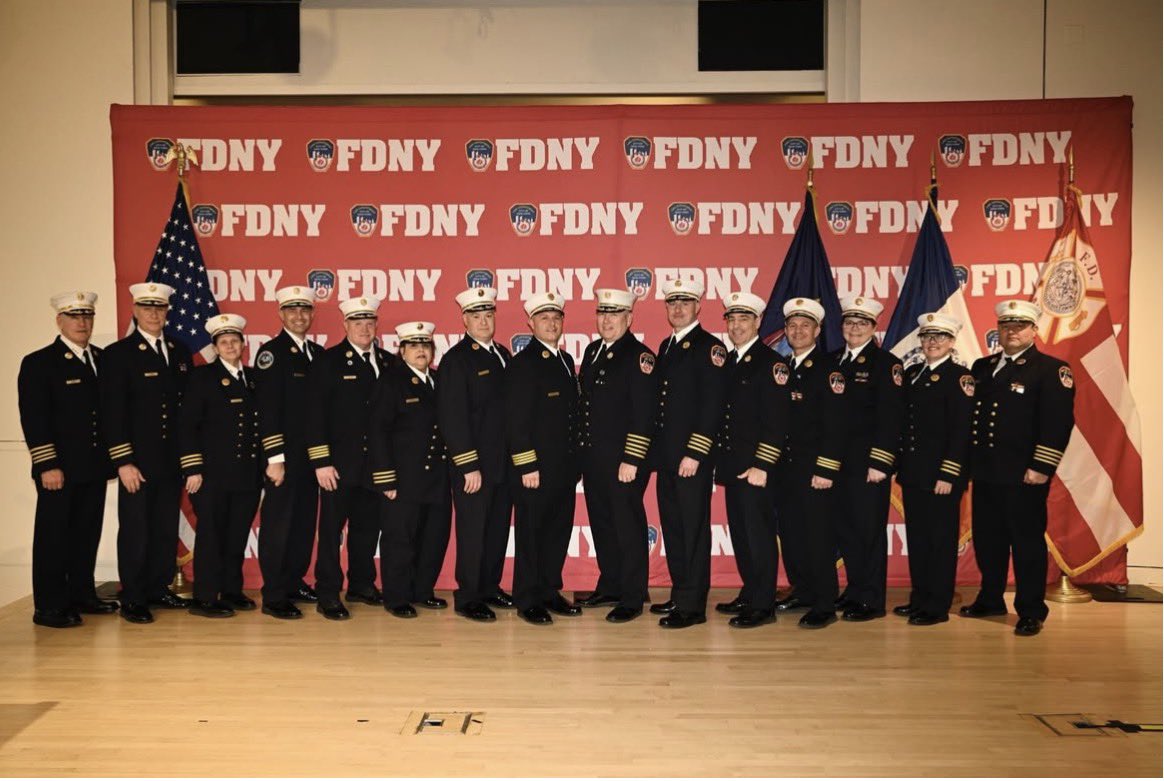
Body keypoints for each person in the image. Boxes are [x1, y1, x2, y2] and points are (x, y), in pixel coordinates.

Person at [963, 300, 1075, 637]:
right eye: (1006, 326)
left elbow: (1058, 424)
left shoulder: (1050, 369)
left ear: (1034, 331)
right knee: (988, 540)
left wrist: (1041, 466)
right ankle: (991, 597)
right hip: (985, 471)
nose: (1011, 332)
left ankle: (1030, 609)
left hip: (1024, 474)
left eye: (1019, 326)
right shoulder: (981, 367)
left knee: (1026, 542)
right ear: (999, 330)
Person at [18, 291, 115, 628]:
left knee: (87, 534)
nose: (82, 323)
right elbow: (34, 417)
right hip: (59, 468)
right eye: (74, 317)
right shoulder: (40, 362)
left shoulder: (102, 360)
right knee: (53, 538)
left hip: (93, 465)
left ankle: (81, 594)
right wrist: (47, 464)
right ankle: (49, 606)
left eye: (87, 317)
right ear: (59, 321)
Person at [101, 282, 193, 624]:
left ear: (168, 312)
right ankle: (134, 596)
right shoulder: (118, 355)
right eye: (148, 308)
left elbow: (185, 411)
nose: (155, 314)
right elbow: (112, 413)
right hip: (137, 461)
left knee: (165, 527)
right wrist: (123, 461)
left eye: (160, 308)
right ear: (136, 311)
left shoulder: (180, 351)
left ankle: (157, 587)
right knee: (136, 529)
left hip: (171, 460)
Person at [305, 295, 394, 620]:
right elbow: (314, 416)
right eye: (358, 323)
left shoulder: (386, 361)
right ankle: (327, 591)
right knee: (331, 532)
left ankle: (361, 583)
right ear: (345, 326)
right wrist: (320, 461)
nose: (365, 329)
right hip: (338, 467)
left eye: (370, 323)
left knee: (367, 529)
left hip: (374, 467)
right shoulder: (328, 363)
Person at [648, 278, 727, 629]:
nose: (677, 309)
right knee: (675, 527)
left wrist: (695, 453)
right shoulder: (667, 345)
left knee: (693, 529)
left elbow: (712, 406)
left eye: (685, 302)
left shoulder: (709, 347)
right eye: (672, 303)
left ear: (698, 307)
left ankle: (693, 605)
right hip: (667, 457)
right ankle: (681, 593)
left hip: (690, 459)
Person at [576, 288, 657, 623]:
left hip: (624, 461)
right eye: (602, 314)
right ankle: (610, 583)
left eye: (614, 315)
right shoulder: (595, 351)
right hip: (595, 460)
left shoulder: (640, 356)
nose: (607, 321)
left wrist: (633, 459)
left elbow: (645, 413)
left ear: (629, 318)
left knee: (627, 526)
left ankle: (633, 594)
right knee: (603, 525)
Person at [436, 287, 515, 622]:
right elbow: (452, 418)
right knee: (473, 531)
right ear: (465, 320)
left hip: (502, 465)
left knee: (496, 529)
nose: (484, 321)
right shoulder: (457, 360)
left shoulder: (502, 354)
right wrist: (468, 465)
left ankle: (489, 586)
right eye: (477, 316)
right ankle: (468, 595)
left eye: (488, 315)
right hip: (474, 467)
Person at [712, 292, 790, 629]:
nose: (737, 325)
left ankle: (763, 604)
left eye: (744, 319)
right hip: (733, 466)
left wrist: (763, 465)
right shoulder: (730, 361)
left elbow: (777, 421)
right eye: (732, 319)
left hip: (755, 469)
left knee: (758, 536)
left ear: (757, 322)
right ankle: (750, 591)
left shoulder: (770, 363)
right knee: (742, 536)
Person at [504, 292, 580, 625]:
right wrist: (526, 464)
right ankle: (528, 597)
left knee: (557, 531)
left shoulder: (564, 360)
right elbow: (516, 421)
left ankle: (549, 589)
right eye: (544, 318)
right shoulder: (523, 364)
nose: (552, 324)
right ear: (530, 323)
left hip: (563, 467)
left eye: (556, 318)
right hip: (535, 468)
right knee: (532, 533)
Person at [179, 314, 262, 618]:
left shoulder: (254, 378)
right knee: (212, 536)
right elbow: (187, 425)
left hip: (247, 474)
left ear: (243, 344)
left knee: (237, 535)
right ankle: (204, 597)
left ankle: (231, 590)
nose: (230, 345)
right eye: (223, 342)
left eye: (234, 341)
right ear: (215, 347)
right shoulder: (202, 378)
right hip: (212, 476)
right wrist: (192, 469)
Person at [895, 313, 974, 626]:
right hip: (915, 473)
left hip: (942, 476)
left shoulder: (960, 379)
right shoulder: (913, 373)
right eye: (927, 337)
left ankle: (937, 605)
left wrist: (949, 473)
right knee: (918, 539)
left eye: (939, 337)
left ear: (952, 342)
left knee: (940, 542)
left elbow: (961, 431)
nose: (931, 342)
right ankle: (920, 597)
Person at [369, 321, 452, 619]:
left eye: (425, 345)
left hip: (436, 477)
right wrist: (385, 477)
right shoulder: (390, 382)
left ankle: (421, 591)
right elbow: (377, 431)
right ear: (402, 350)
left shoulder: (439, 379)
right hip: (403, 478)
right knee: (399, 538)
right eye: (414, 346)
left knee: (432, 538)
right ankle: (396, 596)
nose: (421, 351)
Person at [772, 298, 847, 629]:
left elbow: (836, 425)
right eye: (792, 326)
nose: (797, 331)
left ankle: (824, 602)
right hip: (786, 469)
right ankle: (802, 590)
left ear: (818, 330)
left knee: (818, 537)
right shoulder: (784, 367)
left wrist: (826, 469)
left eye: (805, 326)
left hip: (815, 470)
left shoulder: (829, 371)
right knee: (792, 534)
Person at [831, 296, 904, 622]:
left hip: (867, 466)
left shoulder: (886, 364)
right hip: (837, 466)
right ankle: (856, 589)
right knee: (846, 531)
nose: (855, 328)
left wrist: (881, 463)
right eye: (849, 322)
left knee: (868, 532)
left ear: (874, 328)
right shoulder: (834, 361)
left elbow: (891, 419)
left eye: (862, 323)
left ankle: (872, 599)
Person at [253, 286, 322, 620]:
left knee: (303, 525)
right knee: (278, 526)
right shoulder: (272, 353)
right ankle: (274, 594)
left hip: (312, 459)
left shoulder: (318, 353)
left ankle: (294, 581)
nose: (299, 316)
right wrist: (275, 459)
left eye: (305, 311)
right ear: (281, 315)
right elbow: (268, 410)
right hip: (285, 459)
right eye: (292, 311)